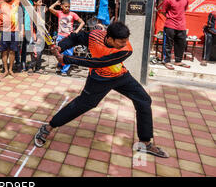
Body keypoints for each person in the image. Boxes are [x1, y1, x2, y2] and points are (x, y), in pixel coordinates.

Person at [34, 21, 169, 158]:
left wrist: (67, 59)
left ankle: (145, 143)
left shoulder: (126, 50)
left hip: (120, 76)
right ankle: (48, 127)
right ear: (109, 38)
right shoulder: (95, 36)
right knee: (83, 104)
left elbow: (99, 62)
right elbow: (76, 37)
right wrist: (60, 47)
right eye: (121, 41)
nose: (125, 43)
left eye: (126, 40)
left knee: (144, 100)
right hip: (98, 79)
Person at [49, 0, 85, 76]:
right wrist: (55, 3)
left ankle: (64, 71)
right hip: (60, 36)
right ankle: (60, 65)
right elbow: (50, 8)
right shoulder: (59, 13)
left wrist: (77, 31)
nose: (67, 8)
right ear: (61, 6)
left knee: (69, 54)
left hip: (69, 37)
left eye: (69, 7)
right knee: (58, 53)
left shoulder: (73, 14)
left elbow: (82, 22)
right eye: (65, 6)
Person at [0, 0, 22, 78]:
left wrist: (22, 30)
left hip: (15, 30)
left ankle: (11, 69)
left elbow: (21, 16)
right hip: (3, 31)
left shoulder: (17, 2)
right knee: (4, 51)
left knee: (13, 51)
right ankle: (5, 70)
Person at [160, 0, 190, 70]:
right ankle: (167, 61)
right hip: (170, 25)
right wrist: (171, 18)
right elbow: (163, 12)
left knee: (181, 44)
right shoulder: (168, 0)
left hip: (182, 26)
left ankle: (178, 61)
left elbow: (184, 10)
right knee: (168, 44)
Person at [27, 0, 48, 75]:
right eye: (40, 2)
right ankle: (31, 67)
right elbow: (32, 25)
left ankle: (38, 67)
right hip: (34, 34)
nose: (41, 3)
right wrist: (34, 36)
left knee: (40, 51)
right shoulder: (31, 11)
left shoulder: (40, 10)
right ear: (35, 3)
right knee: (34, 51)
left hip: (41, 33)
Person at [19, 0, 32, 72]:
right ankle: (21, 63)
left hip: (29, 28)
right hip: (21, 28)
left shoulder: (31, 2)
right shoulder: (19, 3)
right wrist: (21, 29)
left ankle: (27, 63)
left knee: (27, 47)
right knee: (20, 47)